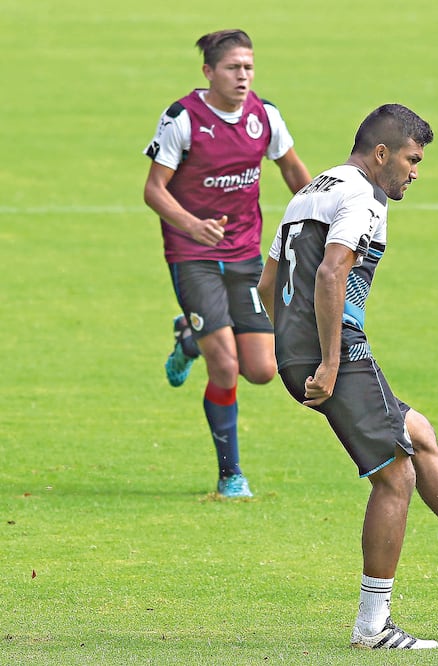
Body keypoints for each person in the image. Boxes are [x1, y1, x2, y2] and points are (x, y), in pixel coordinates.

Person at [257, 104, 438, 650]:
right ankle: (372, 626)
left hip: (304, 350)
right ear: (381, 153)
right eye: (411, 159)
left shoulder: (309, 191)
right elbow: (331, 271)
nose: (415, 171)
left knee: (419, 434)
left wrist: (289, 348)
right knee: (396, 475)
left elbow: (269, 285)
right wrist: (331, 360)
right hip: (333, 353)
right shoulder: (363, 197)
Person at [142, 29, 312, 496]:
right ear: (209, 72)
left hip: (244, 255)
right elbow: (154, 190)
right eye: (234, 68)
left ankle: (189, 337)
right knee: (225, 365)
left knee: (260, 369)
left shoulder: (265, 116)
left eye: (249, 67)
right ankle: (230, 474)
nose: (244, 76)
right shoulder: (182, 119)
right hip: (192, 254)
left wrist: (327, 213)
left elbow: (294, 172)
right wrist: (192, 225)